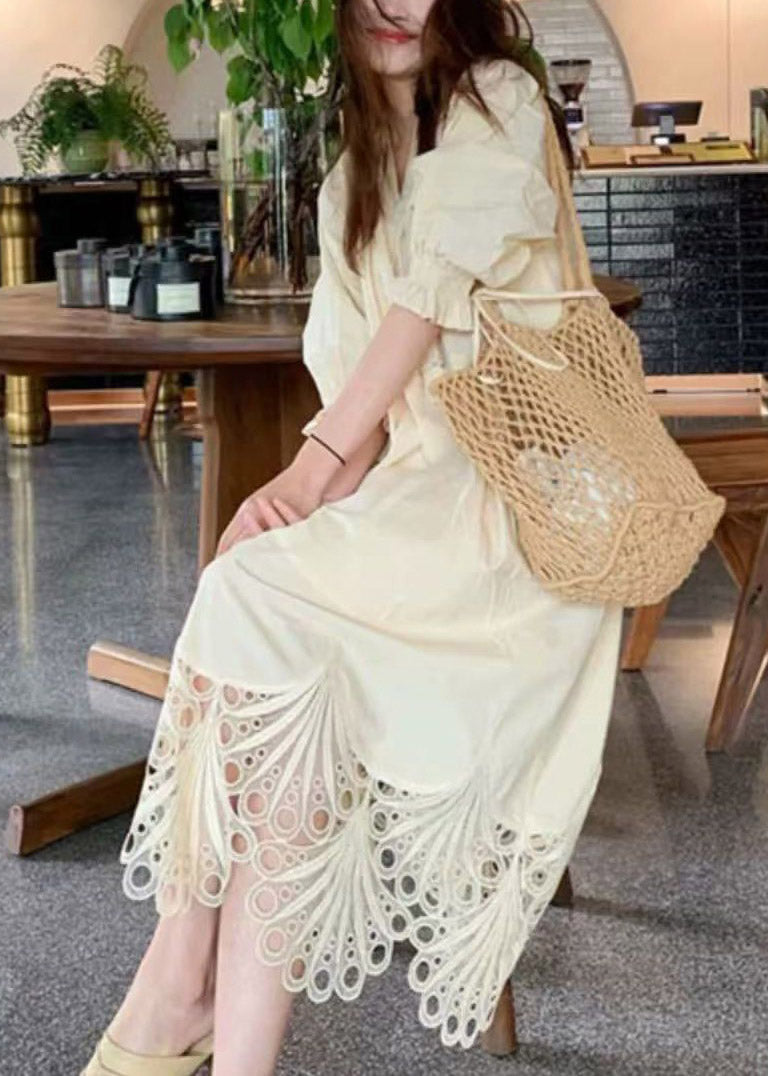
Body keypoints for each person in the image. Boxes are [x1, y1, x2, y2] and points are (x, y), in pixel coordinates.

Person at [81, 1, 624, 1074]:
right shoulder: (349, 183)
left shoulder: (500, 101)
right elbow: (368, 408)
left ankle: (173, 991)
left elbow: (423, 310)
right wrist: (301, 505)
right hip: (417, 507)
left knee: (255, 610)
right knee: (268, 652)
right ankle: (222, 1041)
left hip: (515, 516)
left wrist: (308, 470)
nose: (391, 5)